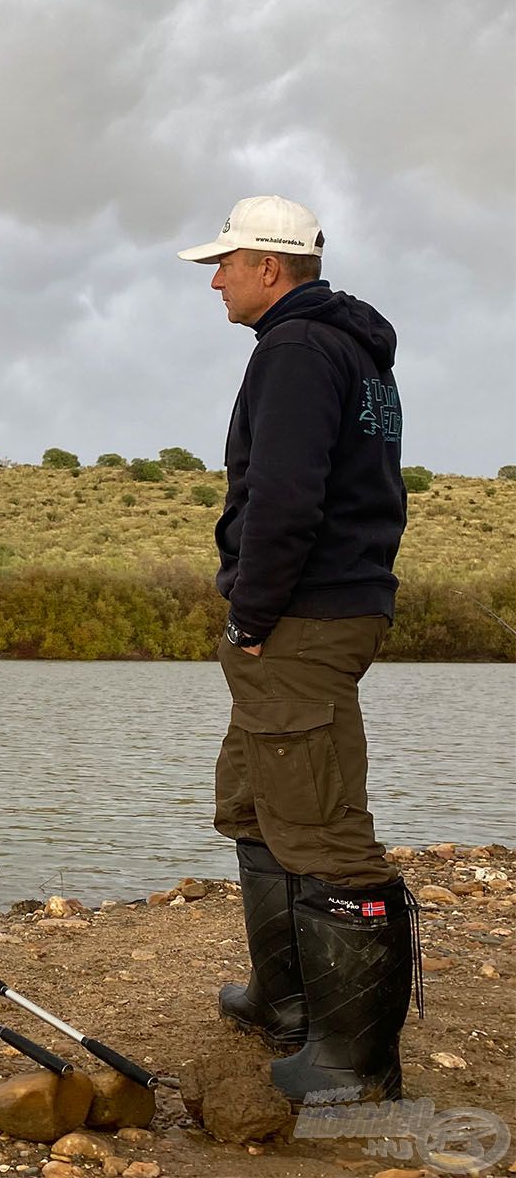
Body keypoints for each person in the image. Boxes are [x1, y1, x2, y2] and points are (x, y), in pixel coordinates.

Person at [177, 195, 415, 1103]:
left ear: (269, 268)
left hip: (300, 618)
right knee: (251, 800)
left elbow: (282, 497)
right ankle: (282, 1003)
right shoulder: (344, 351)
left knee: (322, 828)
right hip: (315, 612)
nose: (215, 279)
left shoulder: (294, 350)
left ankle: (352, 1066)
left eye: (225, 264)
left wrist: (249, 613)